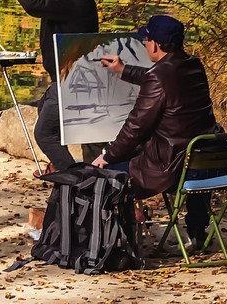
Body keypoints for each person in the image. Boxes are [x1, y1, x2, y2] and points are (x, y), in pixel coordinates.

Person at [91, 14, 219, 250]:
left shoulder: (159, 77)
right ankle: (197, 232)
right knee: (169, 155)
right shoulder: (194, 65)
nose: (144, 43)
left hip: (172, 167)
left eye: (146, 39)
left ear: (156, 44)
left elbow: (136, 128)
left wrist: (107, 156)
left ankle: (120, 239)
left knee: (105, 173)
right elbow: (160, 77)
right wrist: (123, 69)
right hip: (207, 162)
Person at [1, 0, 99, 172]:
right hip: (69, 76)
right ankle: (59, 165)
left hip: (72, 79)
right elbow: (42, 5)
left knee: (44, 133)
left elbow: (34, 5)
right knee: (45, 107)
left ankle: (76, 179)